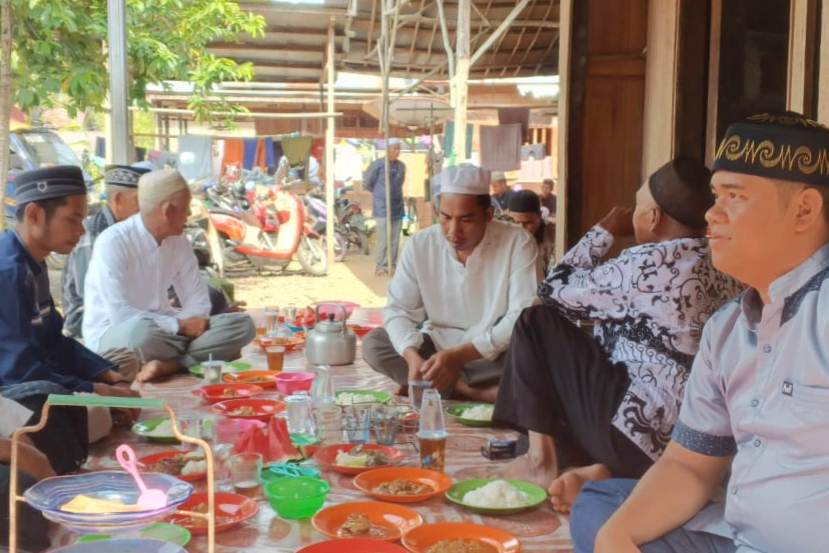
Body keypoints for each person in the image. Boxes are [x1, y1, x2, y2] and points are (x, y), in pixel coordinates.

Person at [572, 113, 829, 553]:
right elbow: (690, 466)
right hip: (739, 536)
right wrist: (617, 538)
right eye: (716, 195)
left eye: (735, 196)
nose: (712, 212)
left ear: (803, 210)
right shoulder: (727, 327)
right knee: (602, 510)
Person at [493, 157, 741, 514]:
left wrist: (605, 229)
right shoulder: (724, 265)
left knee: (536, 322)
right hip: (690, 448)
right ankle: (607, 474)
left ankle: (540, 462)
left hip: (633, 433)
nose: (632, 215)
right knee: (572, 374)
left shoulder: (647, 263)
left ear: (653, 217)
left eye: (638, 207)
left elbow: (552, 291)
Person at [362, 164, 540, 402]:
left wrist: (458, 356)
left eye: (466, 220)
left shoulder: (518, 242)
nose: (453, 231)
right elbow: (398, 310)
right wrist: (412, 358)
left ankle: (440, 386)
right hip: (437, 348)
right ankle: (468, 390)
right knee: (375, 344)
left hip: (493, 354)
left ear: (488, 215)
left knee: (536, 352)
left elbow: (522, 315)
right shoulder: (420, 245)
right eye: (445, 218)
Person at [82, 169, 256, 383]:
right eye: (186, 209)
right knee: (140, 333)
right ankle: (199, 356)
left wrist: (194, 326)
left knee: (242, 325)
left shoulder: (178, 241)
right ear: (168, 211)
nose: (189, 216)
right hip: (119, 335)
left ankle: (170, 365)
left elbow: (198, 300)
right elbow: (121, 315)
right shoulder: (113, 242)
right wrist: (180, 327)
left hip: (168, 333)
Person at [0, 166, 140, 395]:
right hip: (13, 386)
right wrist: (95, 390)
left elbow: (54, 341)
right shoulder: (7, 272)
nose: (82, 230)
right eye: (73, 220)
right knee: (57, 402)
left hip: (35, 370)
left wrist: (104, 373)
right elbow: (17, 373)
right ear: (34, 215)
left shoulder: (35, 262)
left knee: (122, 361)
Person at [62, 164, 149, 340]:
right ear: (118, 200)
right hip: (86, 323)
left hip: (125, 315)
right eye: (141, 202)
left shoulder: (134, 232)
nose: (147, 210)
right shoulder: (92, 235)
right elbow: (91, 298)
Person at [364, 138, 406, 276]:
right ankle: (380, 265)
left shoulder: (401, 166)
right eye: (394, 148)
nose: (397, 151)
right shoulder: (378, 165)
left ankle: (392, 265)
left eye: (398, 149)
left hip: (397, 207)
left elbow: (400, 183)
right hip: (382, 207)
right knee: (383, 239)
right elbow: (368, 183)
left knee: (395, 239)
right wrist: (379, 194)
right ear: (387, 150)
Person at [508, 189, 556, 273]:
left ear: (540, 216)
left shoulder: (553, 236)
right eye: (516, 222)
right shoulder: (503, 235)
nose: (521, 228)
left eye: (528, 223)